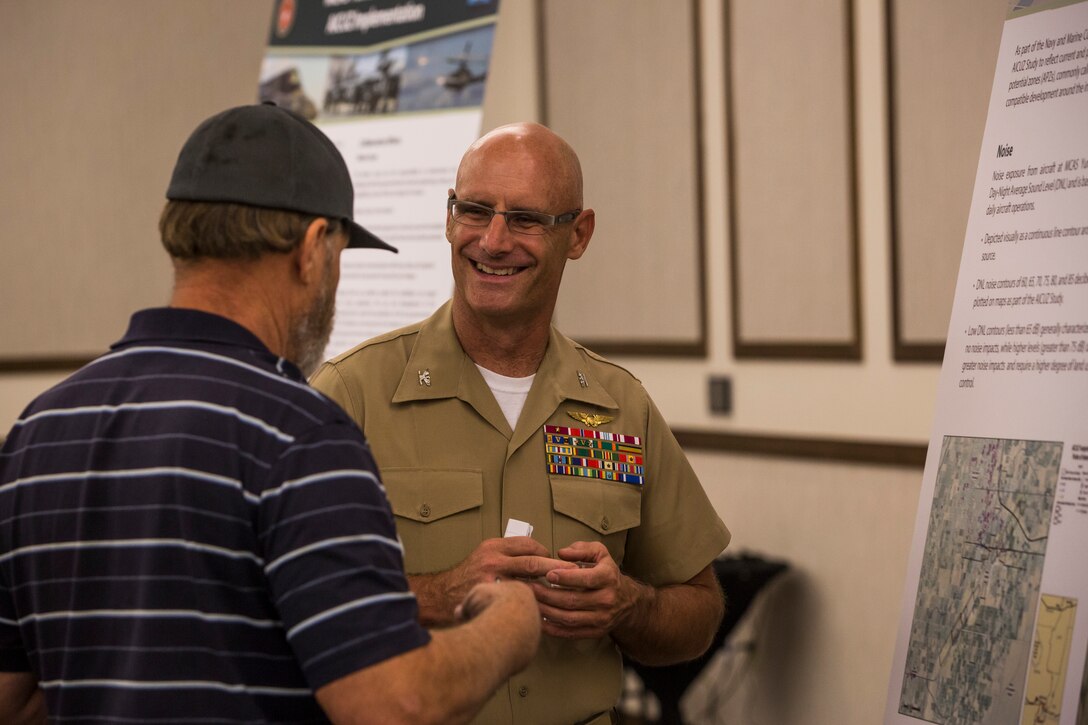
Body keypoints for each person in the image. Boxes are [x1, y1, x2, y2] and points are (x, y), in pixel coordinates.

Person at [0, 104, 541, 724]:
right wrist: (508, 627)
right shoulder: (299, 436)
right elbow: (396, 704)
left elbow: (12, 702)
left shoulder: (37, 432)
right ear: (313, 249)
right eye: (339, 254)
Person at [311, 122, 731, 724]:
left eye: (526, 219)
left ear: (579, 234)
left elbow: (700, 611)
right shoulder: (353, 395)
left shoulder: (620, 409)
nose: (493, 239)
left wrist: (630, 607)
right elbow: (279, 606)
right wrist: (438, 594)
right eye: (475, 211)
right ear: (448, 217)